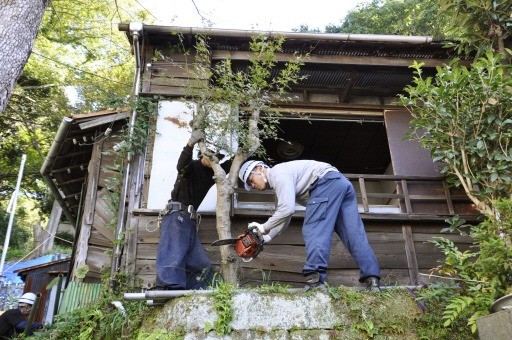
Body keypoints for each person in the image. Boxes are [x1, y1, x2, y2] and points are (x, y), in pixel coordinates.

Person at [238, 159, 381, 291]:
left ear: (259, 169)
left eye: (251, 180)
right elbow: (286, 215)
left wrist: (263, 227)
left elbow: (286, 209)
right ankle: (372, 279)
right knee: (353, 234)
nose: (252, 186)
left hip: (324, 184)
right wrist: (268, 237)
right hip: (340, 183)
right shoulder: (281, 178)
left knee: (314, 229)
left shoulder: (277, 173)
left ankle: (315, 279)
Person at [155, 129, 229, 290]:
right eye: (209, 155)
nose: (212, 159)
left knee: (200, 263)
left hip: (190, 221)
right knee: (172, 254)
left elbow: (231, 164)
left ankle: (199, 289)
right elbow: (180, 164)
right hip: (177, 215)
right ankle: (168, 290)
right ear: (202, 153)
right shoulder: (190, 168)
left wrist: (245, 150)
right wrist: (190, 143)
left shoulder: (213, 173)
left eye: (216, 157)